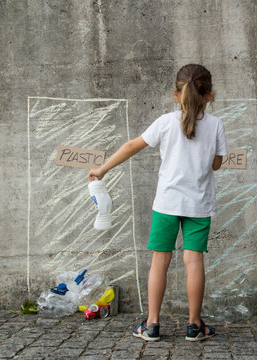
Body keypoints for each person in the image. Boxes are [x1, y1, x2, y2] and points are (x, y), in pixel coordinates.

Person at [88, 64, 227, 342]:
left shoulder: (165, 122)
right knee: (193, 260)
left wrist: (102, 169)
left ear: (176, 94)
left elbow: (131, 146)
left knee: (160, 262)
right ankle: (194, 325)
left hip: (166, 203)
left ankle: (151, 325)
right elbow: (217, 164)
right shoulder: (215, 125)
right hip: (198, 205)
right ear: (209, 95)